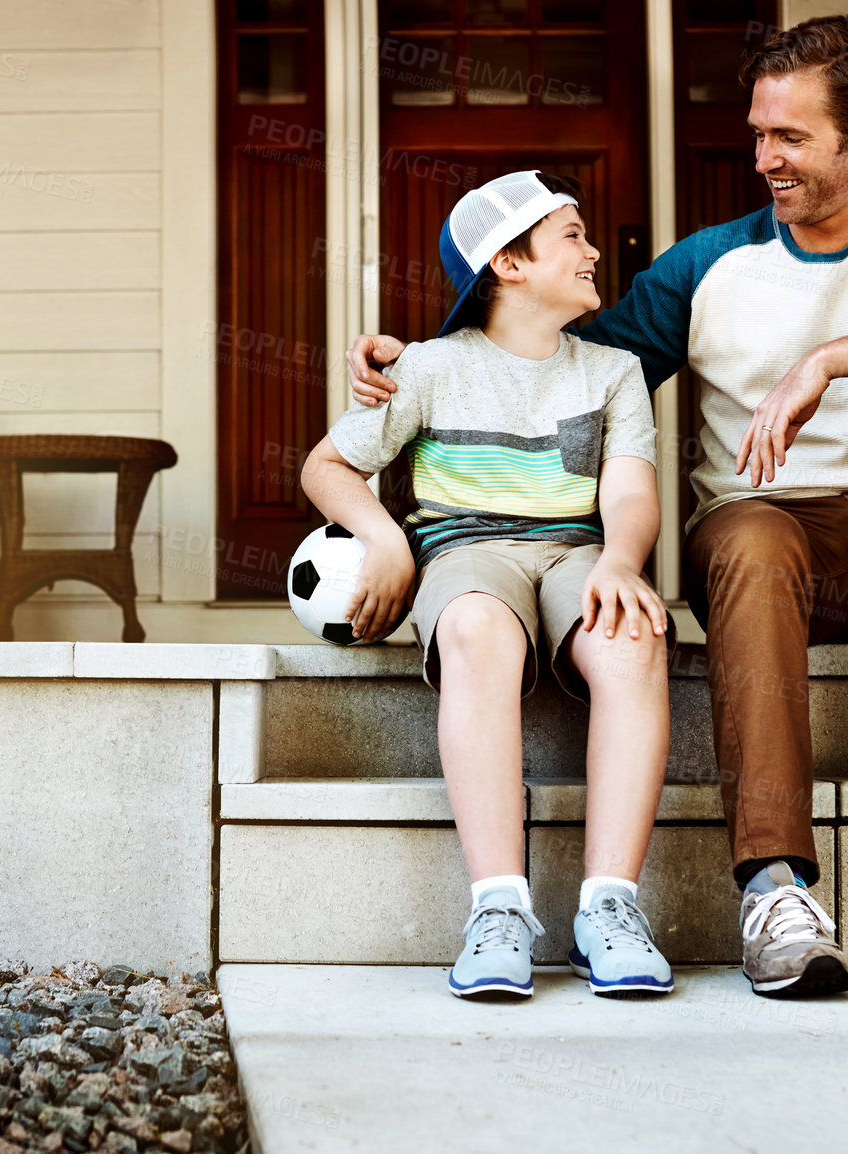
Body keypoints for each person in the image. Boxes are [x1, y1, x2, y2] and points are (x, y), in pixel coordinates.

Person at [346, 16, 848, 998]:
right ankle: (775, 886)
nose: (762, 157)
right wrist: (418, 362)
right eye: (757, 131)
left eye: (790, 137)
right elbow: (552, 348)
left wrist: (835, 356)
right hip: (762, 544)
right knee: (750, 528)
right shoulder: (705, 266)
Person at [301, 170, 676, 999]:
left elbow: (628, 490)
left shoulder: (613, 372)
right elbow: (328, 466)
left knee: (632, 636)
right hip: (468, 548)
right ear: (509, 264)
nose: (591, 250)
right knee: (475, 629)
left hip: (577, 552)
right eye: (571, 234)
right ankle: (498, 907)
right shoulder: (428, 368)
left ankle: (609, 906)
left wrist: (620, 561)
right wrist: (384, 538)